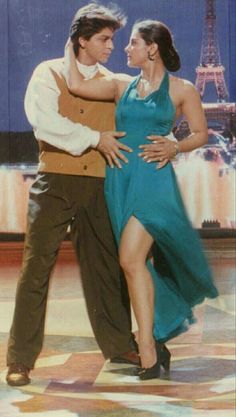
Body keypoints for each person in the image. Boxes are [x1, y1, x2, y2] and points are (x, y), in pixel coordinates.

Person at [64, 18, 218, 380]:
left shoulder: (182, 89)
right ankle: (155, 342)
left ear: (152, 47)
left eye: (132, 42)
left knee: (130, 258)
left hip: (153, 182)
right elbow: (75, 83)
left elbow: (201, 133)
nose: (125, 48)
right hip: (120, 181)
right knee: (135, 265)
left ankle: (147, 347)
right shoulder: (121, 85)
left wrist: (175, 145)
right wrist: (73, 42)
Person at [6, 3, 142, 387]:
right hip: (55, 184)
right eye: (103, 39)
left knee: (106, 270)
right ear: (82, 40)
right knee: (35, 270)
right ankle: (20, 359)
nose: (111, 46)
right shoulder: (46, 73)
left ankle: (119, 346)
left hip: (100, 186)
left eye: (113, 39)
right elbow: (45, 123)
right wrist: (94, 138)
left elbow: (138, 122)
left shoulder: (114, 82)